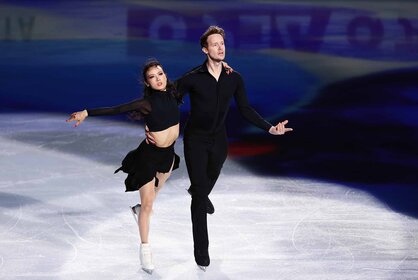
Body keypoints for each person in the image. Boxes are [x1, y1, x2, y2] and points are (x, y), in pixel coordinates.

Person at [147, 26, 293, 270]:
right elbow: (168, 99)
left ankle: (199, 193)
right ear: (205, 49)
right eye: (214, 44)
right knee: (201, 194)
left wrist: (269, 128)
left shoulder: (234, 78)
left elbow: (245, 109)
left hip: (219, 141)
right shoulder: (193, 78)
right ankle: (201, 252)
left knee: (206, 182)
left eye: (222, 43)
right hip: (196, 140)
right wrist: (152, 126)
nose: (220, 47)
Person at [66, 59, 181, 274]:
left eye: (160, 74)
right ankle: (145, 250)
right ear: (147, 83)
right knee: (148, 205)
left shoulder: (175, 93)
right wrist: (86, 112)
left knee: (152, 197)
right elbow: (116, 109)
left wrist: (219, 65)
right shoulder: (146, 104)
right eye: (152, 77)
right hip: (149, 157)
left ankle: (138, 210)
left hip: (168, 156)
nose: (158, 79)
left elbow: (197, 75)